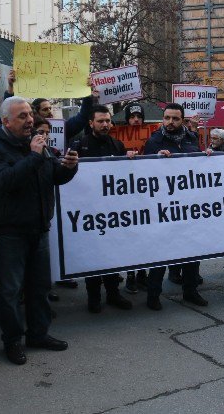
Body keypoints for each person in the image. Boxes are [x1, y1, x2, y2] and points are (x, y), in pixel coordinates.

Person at [0, 97, 78, 365]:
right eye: (22, 116)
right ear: (6, 122)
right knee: (11, 291)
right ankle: (12, 340)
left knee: (39, 287)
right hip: (10, 230)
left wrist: (69, 168)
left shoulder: (35, 142)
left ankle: (39, 334)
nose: (29, 120)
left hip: (38, 226)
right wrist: (34, 156)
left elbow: (52, 176)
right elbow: (4, 181)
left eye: (29, 115)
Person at [143, 103, 207, 310]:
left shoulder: (190, 138)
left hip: (189, 206)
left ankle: (190, 291)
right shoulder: (154, 141)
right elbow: (144, 174)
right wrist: (156, 159)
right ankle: (153, 295)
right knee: (161, 253)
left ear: (182, 120)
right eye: (167, 118)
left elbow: (196, 166)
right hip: (164, 207)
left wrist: (205, 157)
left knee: (191, 250)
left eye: (175, 119)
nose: (170, 122)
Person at [72, 105, 134, 313]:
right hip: (89, 211)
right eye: (101, 121)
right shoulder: (79, 145)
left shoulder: (117, 145)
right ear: (91, 123)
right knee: (93, 256)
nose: (105, 124)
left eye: (108, 121)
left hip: (113, 211)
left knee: (112, 254)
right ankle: (93, 297)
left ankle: (113, 293)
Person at [122, 102, 149, 294]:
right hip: (126, 194)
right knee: (130, 238)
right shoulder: (117, 139)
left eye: (139, 116)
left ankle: (142, 273)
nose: (136, 120)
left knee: (144, 236)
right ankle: (130, 275)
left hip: (146, 194)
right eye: (132, 117)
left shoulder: (152, 137)